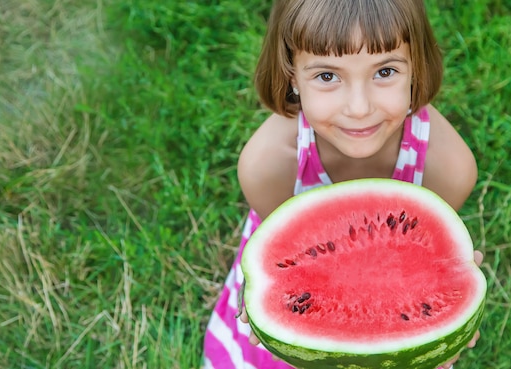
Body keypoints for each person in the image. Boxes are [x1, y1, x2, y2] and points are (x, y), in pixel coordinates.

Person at [203, 0, 483, 368]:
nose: (359, 107)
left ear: (416, 66)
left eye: (384, 71)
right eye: (327, 76)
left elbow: (435, 263)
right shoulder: (269, 167)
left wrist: (445, 329)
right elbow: (281, 268)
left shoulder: (447, 167)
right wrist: (278, 315)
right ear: (292, 76)